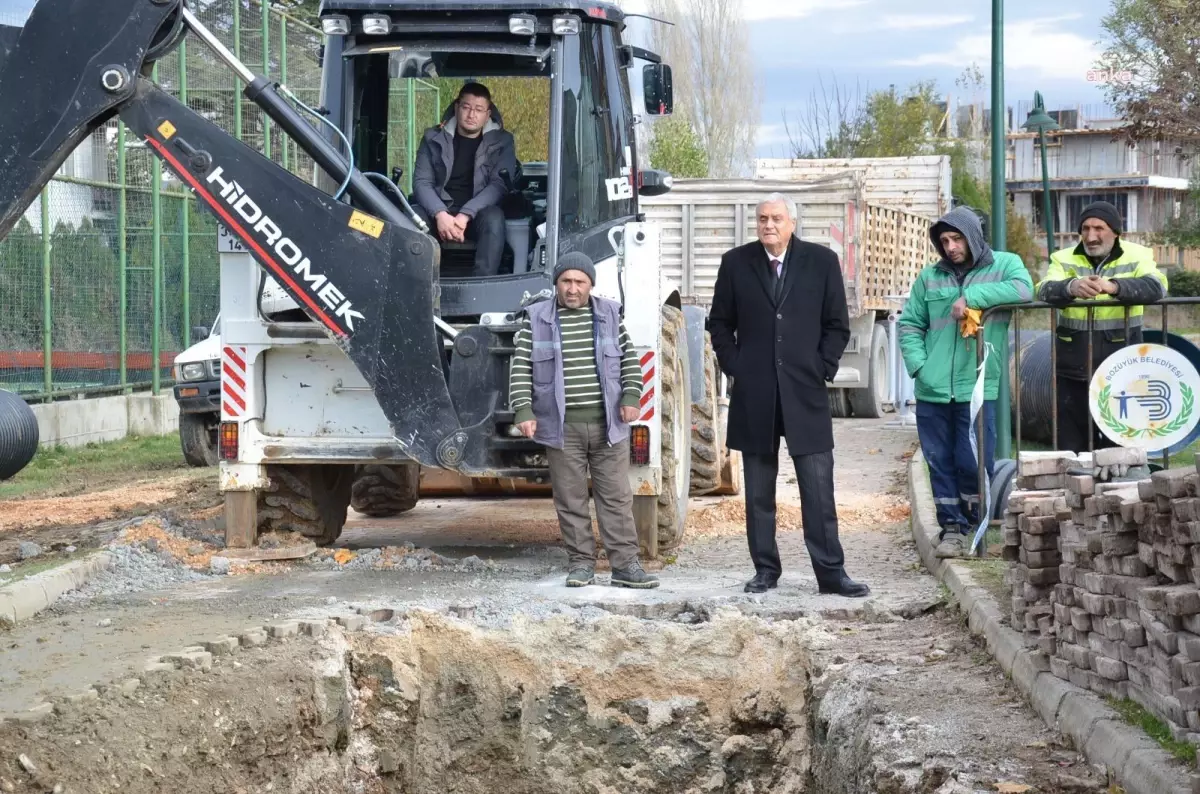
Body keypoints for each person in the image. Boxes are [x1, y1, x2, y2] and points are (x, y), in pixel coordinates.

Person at [708, 193, 869, 597]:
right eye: (762, 218)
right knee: (759, 494)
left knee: (818, 491)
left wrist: (821, 368)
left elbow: (837, 325)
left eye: (776, 218)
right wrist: (737, 366)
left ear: (792, 222)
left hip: (805, 393)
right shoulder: (736, 263)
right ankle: (765, 570)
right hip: (755, 396)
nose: (768, 225)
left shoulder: (821, 262)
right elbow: (720, 325)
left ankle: (831, 574)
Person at [508, 251, 659, 589]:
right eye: (566, 281)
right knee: (570, 498)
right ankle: (581, 564)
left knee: (617, 497)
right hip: (562, 429)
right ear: (556, 284)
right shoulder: (536, 319)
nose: (572, 289)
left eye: (580, 282)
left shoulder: (608, 315)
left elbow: (630, 362)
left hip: (609, 427)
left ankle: (625, 566)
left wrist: (632, 398)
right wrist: (523, 410)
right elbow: (520, 367)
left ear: (591, 285)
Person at [898, 207, 1034, 559]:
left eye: (956, 238)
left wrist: (972, 297)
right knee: (939, 461)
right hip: (933, 388)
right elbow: (911, 324)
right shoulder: (929, 277)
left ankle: (976, 527)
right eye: (944, 241)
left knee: (972, 459)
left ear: (973, 236)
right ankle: (953, 529)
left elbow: (1024, 290)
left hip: (977, 387)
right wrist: (920, 367)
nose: (950, 247)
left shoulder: (1005, 265)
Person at [1036, 201, 1168, 453]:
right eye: (1085, 228)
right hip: (1072, 367)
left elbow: (1158, 287)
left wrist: (1115, 287)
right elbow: (1042, 289)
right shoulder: (1062, 258)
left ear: (1116, 232)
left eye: (1099, 228)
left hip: (1122, 369)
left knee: (1119, 449)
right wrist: (1070, 287)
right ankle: (1077, 491)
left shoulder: (1138, 254)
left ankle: (1118, 492)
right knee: (1072, 450)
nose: (1091, 236)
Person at [412, 82, 517, 277]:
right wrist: (440, 214)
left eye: (478, 109)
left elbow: (498, 185)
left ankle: (482, 291)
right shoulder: (432, 138)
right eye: (466, 107)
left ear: (487, 115)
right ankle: (419, 285)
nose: (471, 115)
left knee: (494, 218)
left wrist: (465, 215)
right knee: (411, 217)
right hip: (438, 211)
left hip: (478, 214)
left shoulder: (503, 142)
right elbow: (421, 182)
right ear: (457, 108)